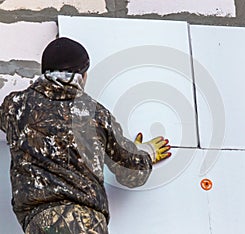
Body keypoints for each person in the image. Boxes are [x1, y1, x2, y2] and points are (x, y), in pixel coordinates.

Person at [0, 37, 171, 234]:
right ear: (83, 75)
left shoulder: (16, 107)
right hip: (86, 223)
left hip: (40, 223)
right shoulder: (96, 114)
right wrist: (146, 152)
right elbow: (131, 173)